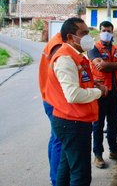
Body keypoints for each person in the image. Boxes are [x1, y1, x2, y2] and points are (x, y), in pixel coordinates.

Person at [45, 17, 108, 186]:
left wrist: (91, 84)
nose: (88, 37)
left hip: (72, 120)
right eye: (84, 33)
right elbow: (72, 94)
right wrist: (98, 92)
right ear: (71, 37)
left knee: (66, 168)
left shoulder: (74, 56)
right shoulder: (65, 58)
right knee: (81, 174)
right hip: (72, 122)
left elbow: (76, 82)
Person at [88, 21, 117, 169]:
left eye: (109, 30)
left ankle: (114, 150)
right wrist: (113, 64)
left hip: (114, 93)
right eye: (104, 30)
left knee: (113, 123)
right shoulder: (93, 48)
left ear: (113, 32)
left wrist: (107, 64)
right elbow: (100, 66)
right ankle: (98, 154)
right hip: (100, 92)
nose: (106, 32)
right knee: (98, 125)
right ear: (100, 31)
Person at [38, 32, 63, 186]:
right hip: (55, 100)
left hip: (49, 97)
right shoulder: (58, 47)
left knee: (55, 138)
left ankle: (54, 176)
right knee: (59, 140)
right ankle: (57, 179)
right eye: (83, 33)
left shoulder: (55, 41)